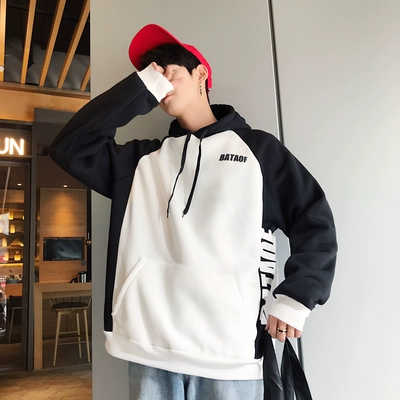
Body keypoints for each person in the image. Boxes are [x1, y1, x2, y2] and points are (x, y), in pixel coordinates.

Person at [49, 24, 337, 400]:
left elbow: (313, 217)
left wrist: (297, 296)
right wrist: (140, 90)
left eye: (170, 71)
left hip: (230, 353)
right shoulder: (141, 161)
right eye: (152, 74)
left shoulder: (259, 151)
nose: (162, 81)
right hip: (148, 346)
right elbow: (70, 148)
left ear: (201, 74)